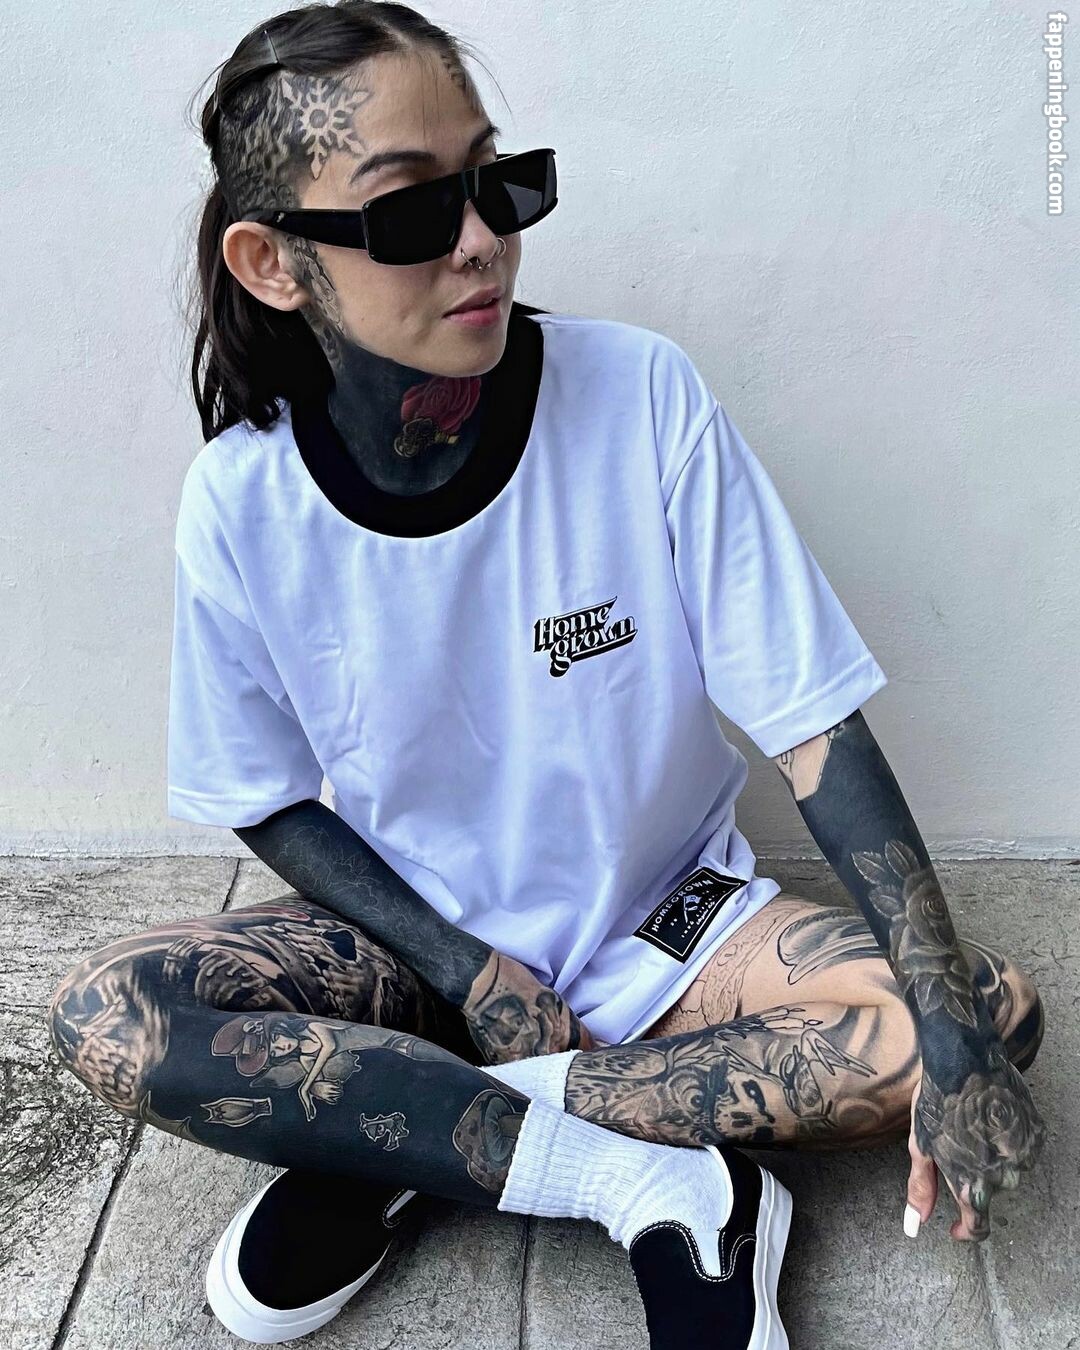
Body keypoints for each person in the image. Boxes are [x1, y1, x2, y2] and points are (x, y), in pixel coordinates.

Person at [46, 3, 1047, 1346]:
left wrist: (951, 1034)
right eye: (411, 210)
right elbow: (261, 792)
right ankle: (646, 1181)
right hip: (417, 943)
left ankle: (418, 1132)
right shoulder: (242, 502)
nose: (481, 241)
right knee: (110, 1015)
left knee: (981, 1014)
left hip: (672, 930)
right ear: (273, 262)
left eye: (499, 183)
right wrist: (466, 967)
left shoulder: (639, 396)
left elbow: (814, 727)